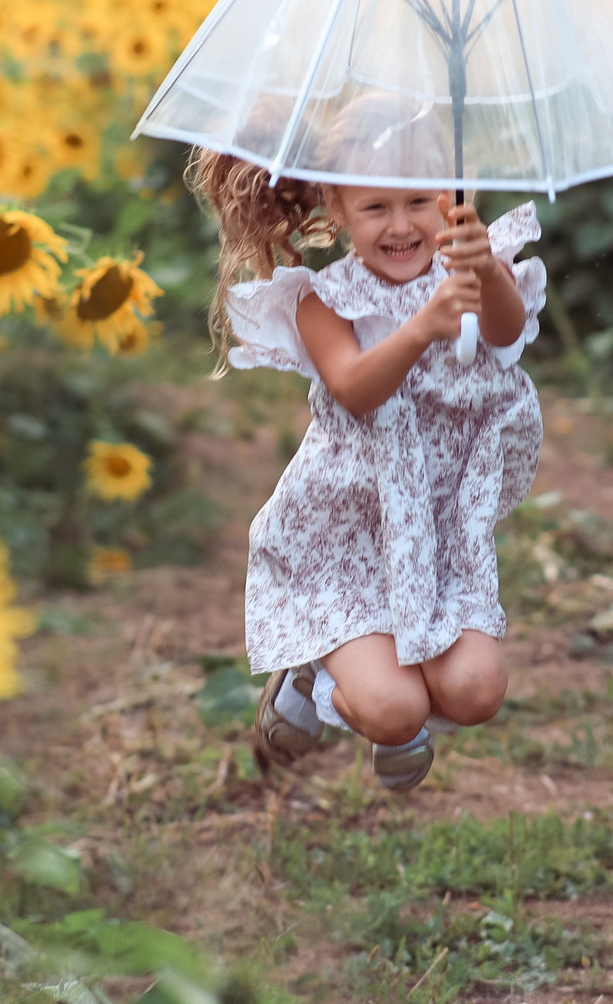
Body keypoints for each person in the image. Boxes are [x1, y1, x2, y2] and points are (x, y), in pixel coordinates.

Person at [186, 109, 547, 793]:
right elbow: (354, 388)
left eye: (420, 200)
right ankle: (320, 674)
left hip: (435, 539)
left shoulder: (472, 272)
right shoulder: (324, 302)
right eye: (376, 206)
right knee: (394, 708)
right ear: (337, 206)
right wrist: (424, 325)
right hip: (346, 539)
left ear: (454, 196)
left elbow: (505, 333)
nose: (403, 224)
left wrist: (485, 273)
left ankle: (359, 680)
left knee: (476, 689)